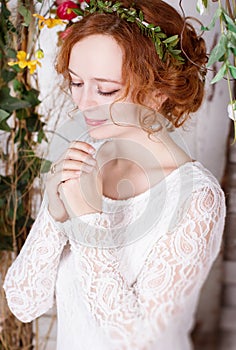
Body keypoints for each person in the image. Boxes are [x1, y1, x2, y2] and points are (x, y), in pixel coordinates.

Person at [3, 0, 226, 349]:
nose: (84, 103)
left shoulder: (197, 199)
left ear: (158, 92)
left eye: (106, 89)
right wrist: (56, 215)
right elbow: (23, 304)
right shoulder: (82, 156)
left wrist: (88, 217)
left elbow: (143, 342)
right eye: (76, 82)